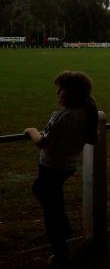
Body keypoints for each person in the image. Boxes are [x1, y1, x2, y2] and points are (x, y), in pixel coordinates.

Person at [24, 71, 99, 268]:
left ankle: (61, 253)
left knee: (51, 211)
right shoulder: (87, 111)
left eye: (62, 89)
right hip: (68, 166)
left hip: (52, 167)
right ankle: (63, 226)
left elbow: (42, 143)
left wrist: (31, 131)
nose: (58, 93)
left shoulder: (63, 117)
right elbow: (92, 139)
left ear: (71, 94)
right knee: (47, 196)